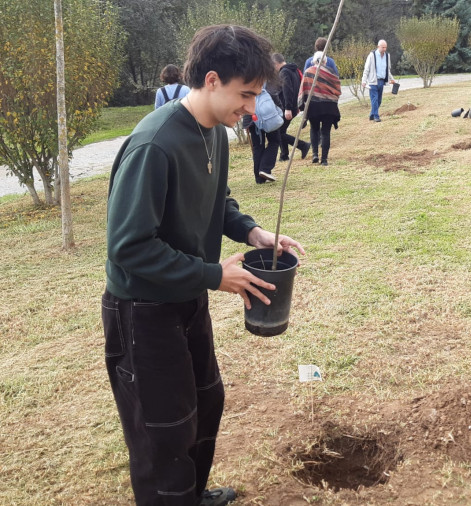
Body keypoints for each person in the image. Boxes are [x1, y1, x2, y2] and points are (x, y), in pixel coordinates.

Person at [102, 24, 305, 506]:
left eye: (256, 96)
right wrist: (215, 275)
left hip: (187, 297)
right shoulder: (154, 144)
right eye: (246, 95)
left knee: (205, 401)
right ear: (212, 80)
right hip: (144, 311)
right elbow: (128, 247)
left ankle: (191, 495)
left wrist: (252, 231)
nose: (252, 108)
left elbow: (218, 199)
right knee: (164, 430)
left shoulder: (214, 133)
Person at [299, 51, 341, 166]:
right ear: (325, 61)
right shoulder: (332, 73)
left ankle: (315, 154)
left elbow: (303, 90)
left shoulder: (308, 72)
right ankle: (324, 160)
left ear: (313, 61)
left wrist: (302, 106)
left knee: (314, 129)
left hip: (314, 106)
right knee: (326, 132)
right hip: (329, 107)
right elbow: (337, 89)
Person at [272, 53, 310, 162]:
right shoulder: (294, 70)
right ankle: (284, 155)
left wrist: (287, 108)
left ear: (276, 63)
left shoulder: (284, 72)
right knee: (281, 130)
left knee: (278, 132)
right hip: (293, 105)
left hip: (288, 107)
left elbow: (287, 90)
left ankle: (303, 146)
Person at [245, 82, 283, 183]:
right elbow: (274, 94)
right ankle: (265, 169)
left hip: (252, 119)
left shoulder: (244, 80)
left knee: (258, 146)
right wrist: (280, 110)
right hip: (269, 116)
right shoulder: (265, 79)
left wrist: (246, 122)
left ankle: (259, 178)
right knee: (274, 141)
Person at [361, 40, 396, 122]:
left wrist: (392, 79)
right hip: (373, 81)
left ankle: (372, 115)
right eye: (383, 47)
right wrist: (364, 80)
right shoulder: (372, 55)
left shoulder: (387, 56)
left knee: (379, 101)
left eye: (385, 47)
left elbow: (388, 70)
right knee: (375, 99)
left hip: (381, 81)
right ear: (378, 47)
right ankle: (376, 117)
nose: (384, 49)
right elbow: (366, 69)